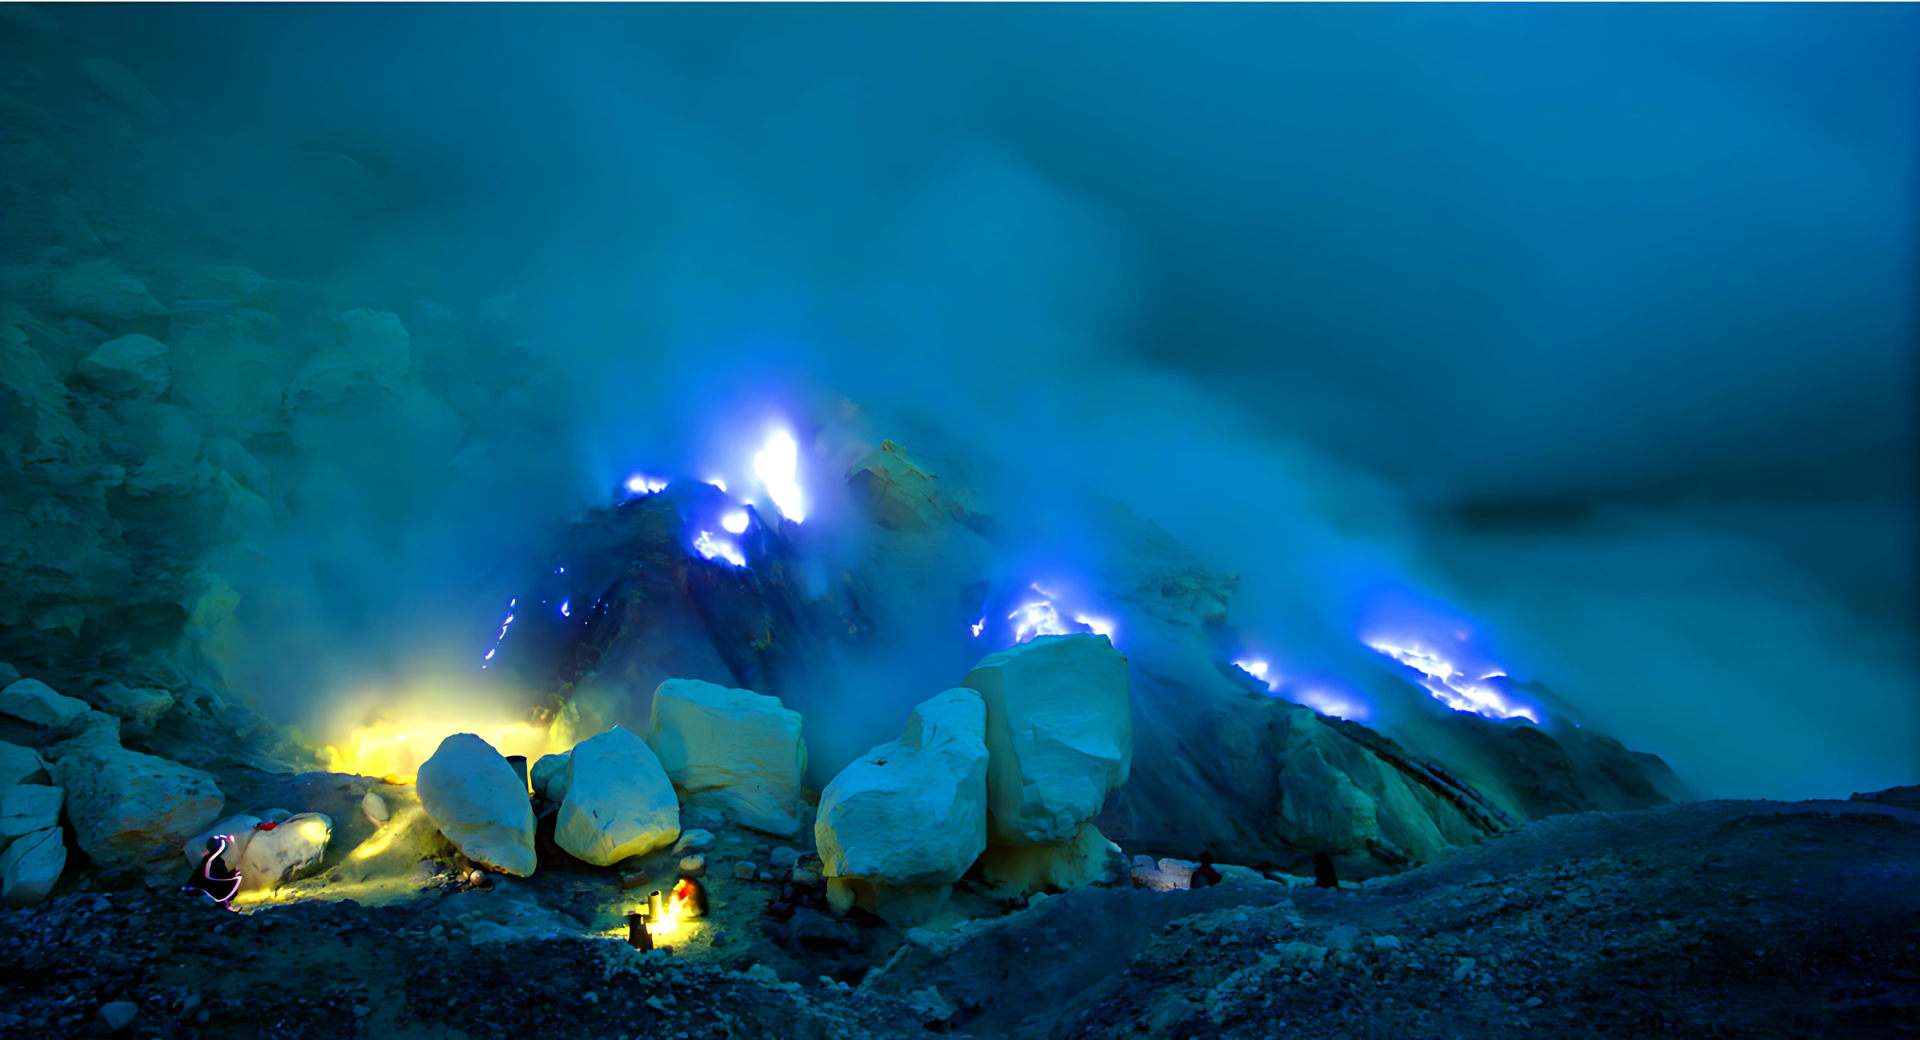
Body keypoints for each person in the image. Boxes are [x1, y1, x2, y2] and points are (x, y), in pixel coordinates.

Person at [184, 834, 243, 911]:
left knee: (234, 878)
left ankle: (226, 903)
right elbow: (215, 875)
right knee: (235, 879)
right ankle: (226, 903)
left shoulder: (210, 859)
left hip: (211, 888)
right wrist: (233, 874)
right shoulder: (214, 860)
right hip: (213, 889)